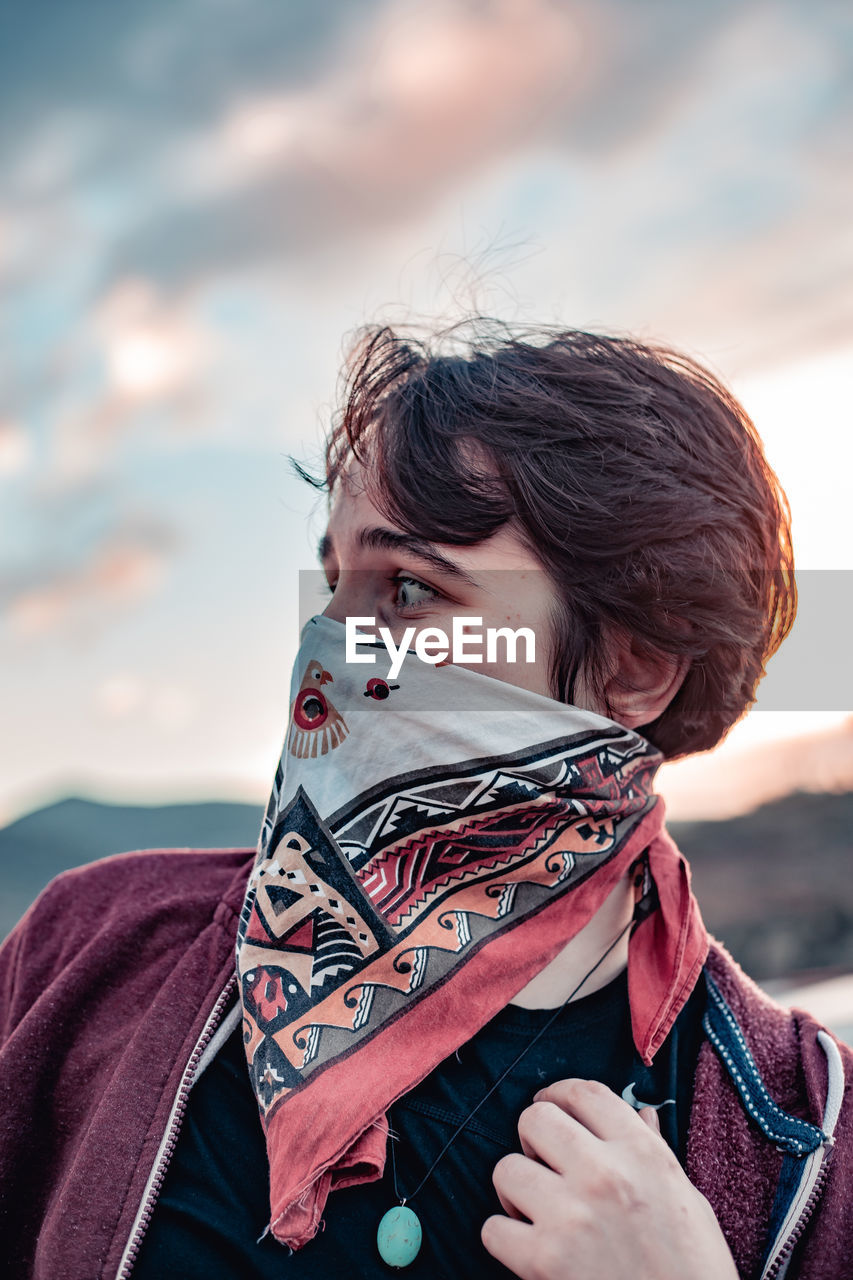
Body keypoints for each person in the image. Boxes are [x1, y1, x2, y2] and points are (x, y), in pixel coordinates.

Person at [1, 321, 850, 1280]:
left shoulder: (804, 1133)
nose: (328, 640)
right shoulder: (93, 953)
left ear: (636, 668)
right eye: (334, 581)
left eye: (407, 587)